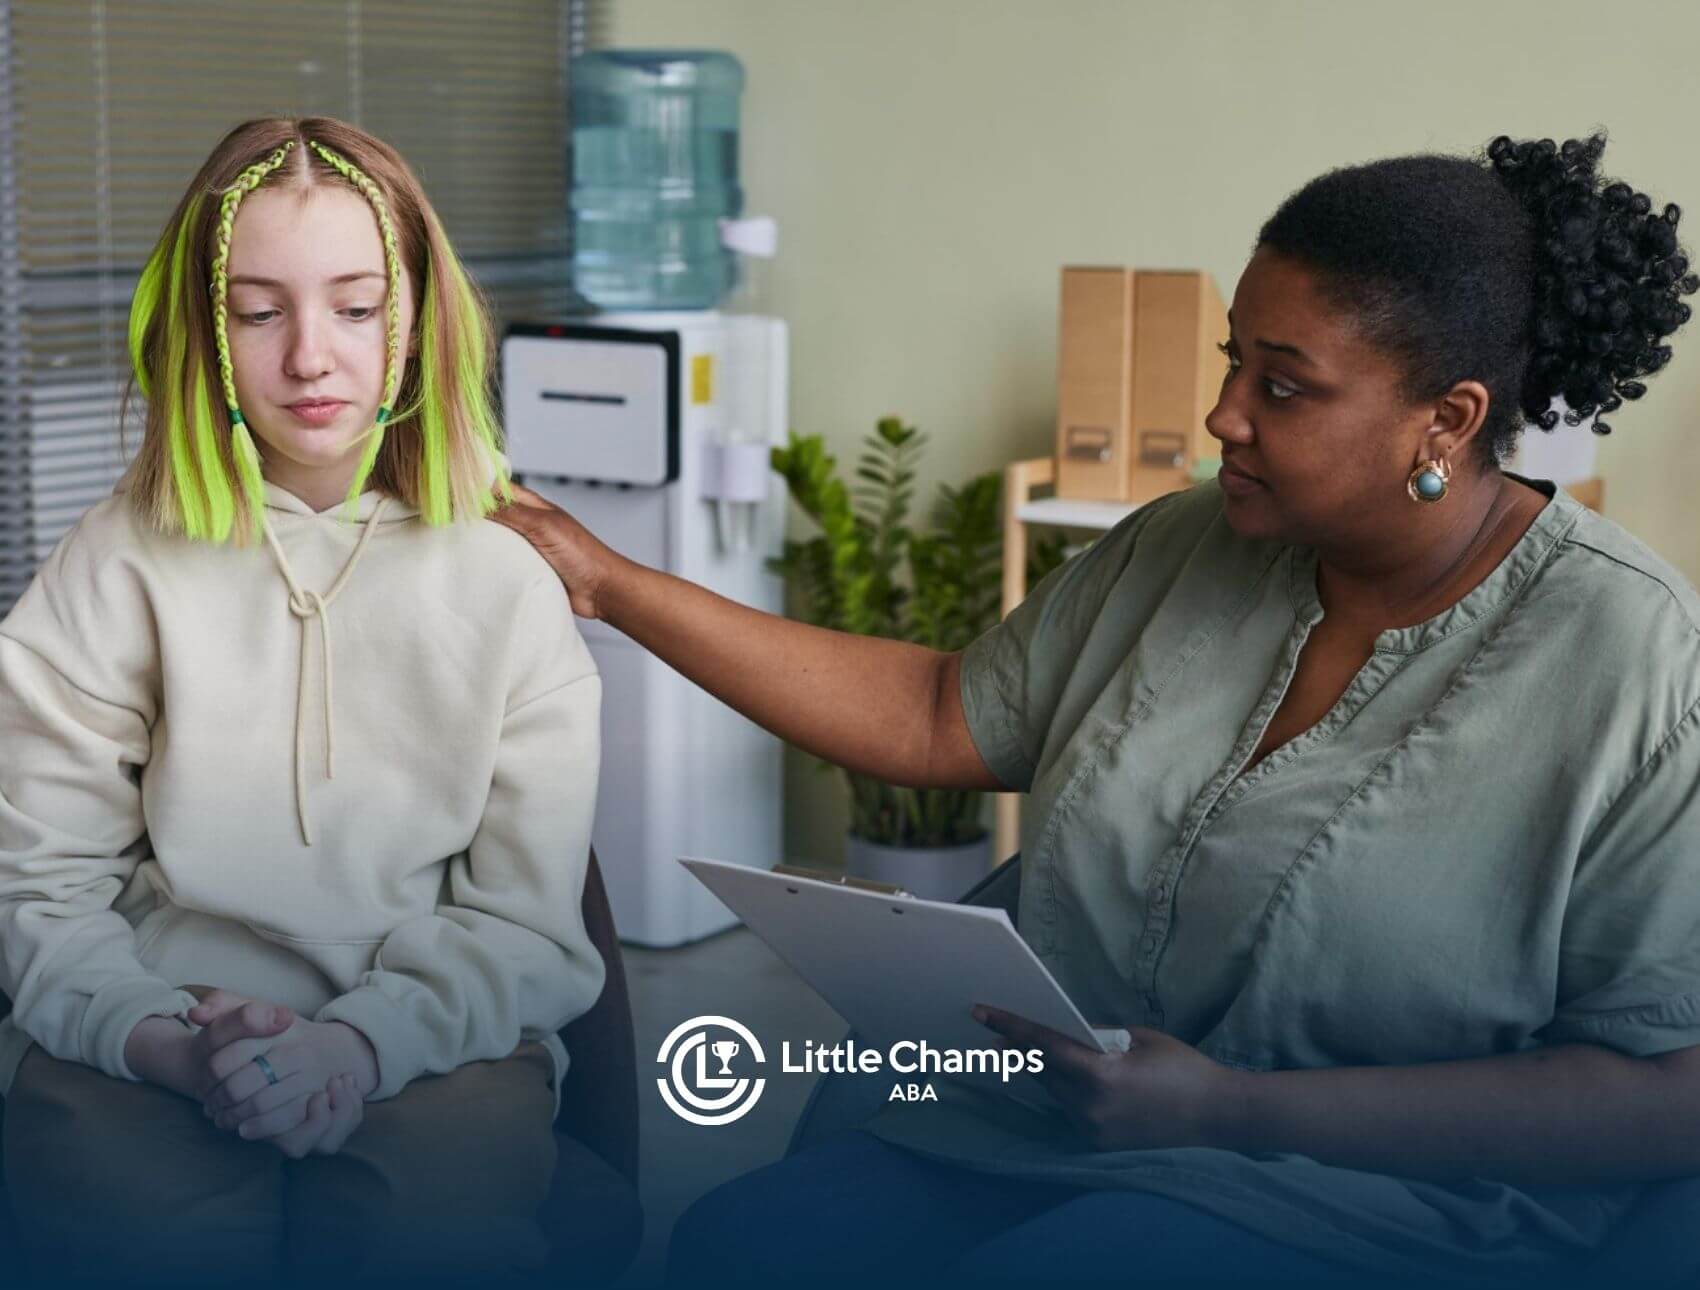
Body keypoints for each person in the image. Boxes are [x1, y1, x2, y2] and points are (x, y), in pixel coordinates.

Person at [492, 133, 1700, 1284]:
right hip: (1067, 1124)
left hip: (1379, 1194)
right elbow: (938, 713)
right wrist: (606, 582)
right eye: (1234, 360)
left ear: (1447, 420)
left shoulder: (1628, 652)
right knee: (738, 1245)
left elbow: (1664, 1094)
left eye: (1282, 388)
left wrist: (1229, 1111)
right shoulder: (1185, 544)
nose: (1224, 413)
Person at [0, 117, 604, 1284]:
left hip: (438, 1036)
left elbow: (524, 928)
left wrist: (355, 1046)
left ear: (417, 319)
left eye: (357, 307)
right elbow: (37, 887)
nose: (311, 357)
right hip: (152, 1020)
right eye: (257, 310)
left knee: (417, 1230)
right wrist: (168, 1045)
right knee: (132, 1227)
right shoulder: (111, 563)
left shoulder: (505, 582)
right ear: (201, 329)